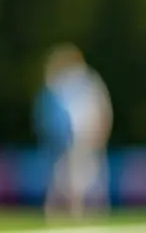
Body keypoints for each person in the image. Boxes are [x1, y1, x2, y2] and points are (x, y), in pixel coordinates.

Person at [34, 44, 113, 220]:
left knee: (90, 179)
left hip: (87, 138)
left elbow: (100, 110)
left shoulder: (88, 83)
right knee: (62, 178)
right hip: (64, 140)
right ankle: (60, 212)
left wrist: (99, 133)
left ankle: (92, 212)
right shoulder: (58, 84)